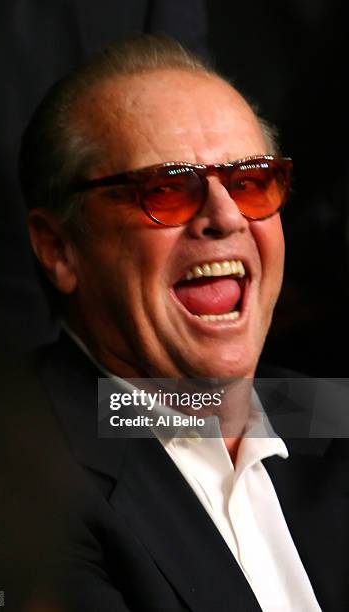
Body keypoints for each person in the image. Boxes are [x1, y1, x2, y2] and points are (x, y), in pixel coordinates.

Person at [19, 35, 348, 611]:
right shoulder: (4, 470)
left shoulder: (325, 412)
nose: (224, 217)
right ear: (59, 249)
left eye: (249, 182)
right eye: (166, 190)